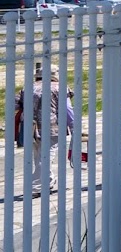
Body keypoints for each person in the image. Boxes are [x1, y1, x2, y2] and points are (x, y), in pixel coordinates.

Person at [12, 63, 78, 198]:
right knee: (46, 157)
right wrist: (74, 126)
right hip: (52, 127)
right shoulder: (60, 88)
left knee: (38, 156)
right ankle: (36, 187)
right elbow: (67, 110)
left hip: (29, 127)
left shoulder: (28, 88)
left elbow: (14, 105)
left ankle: (48, 182)